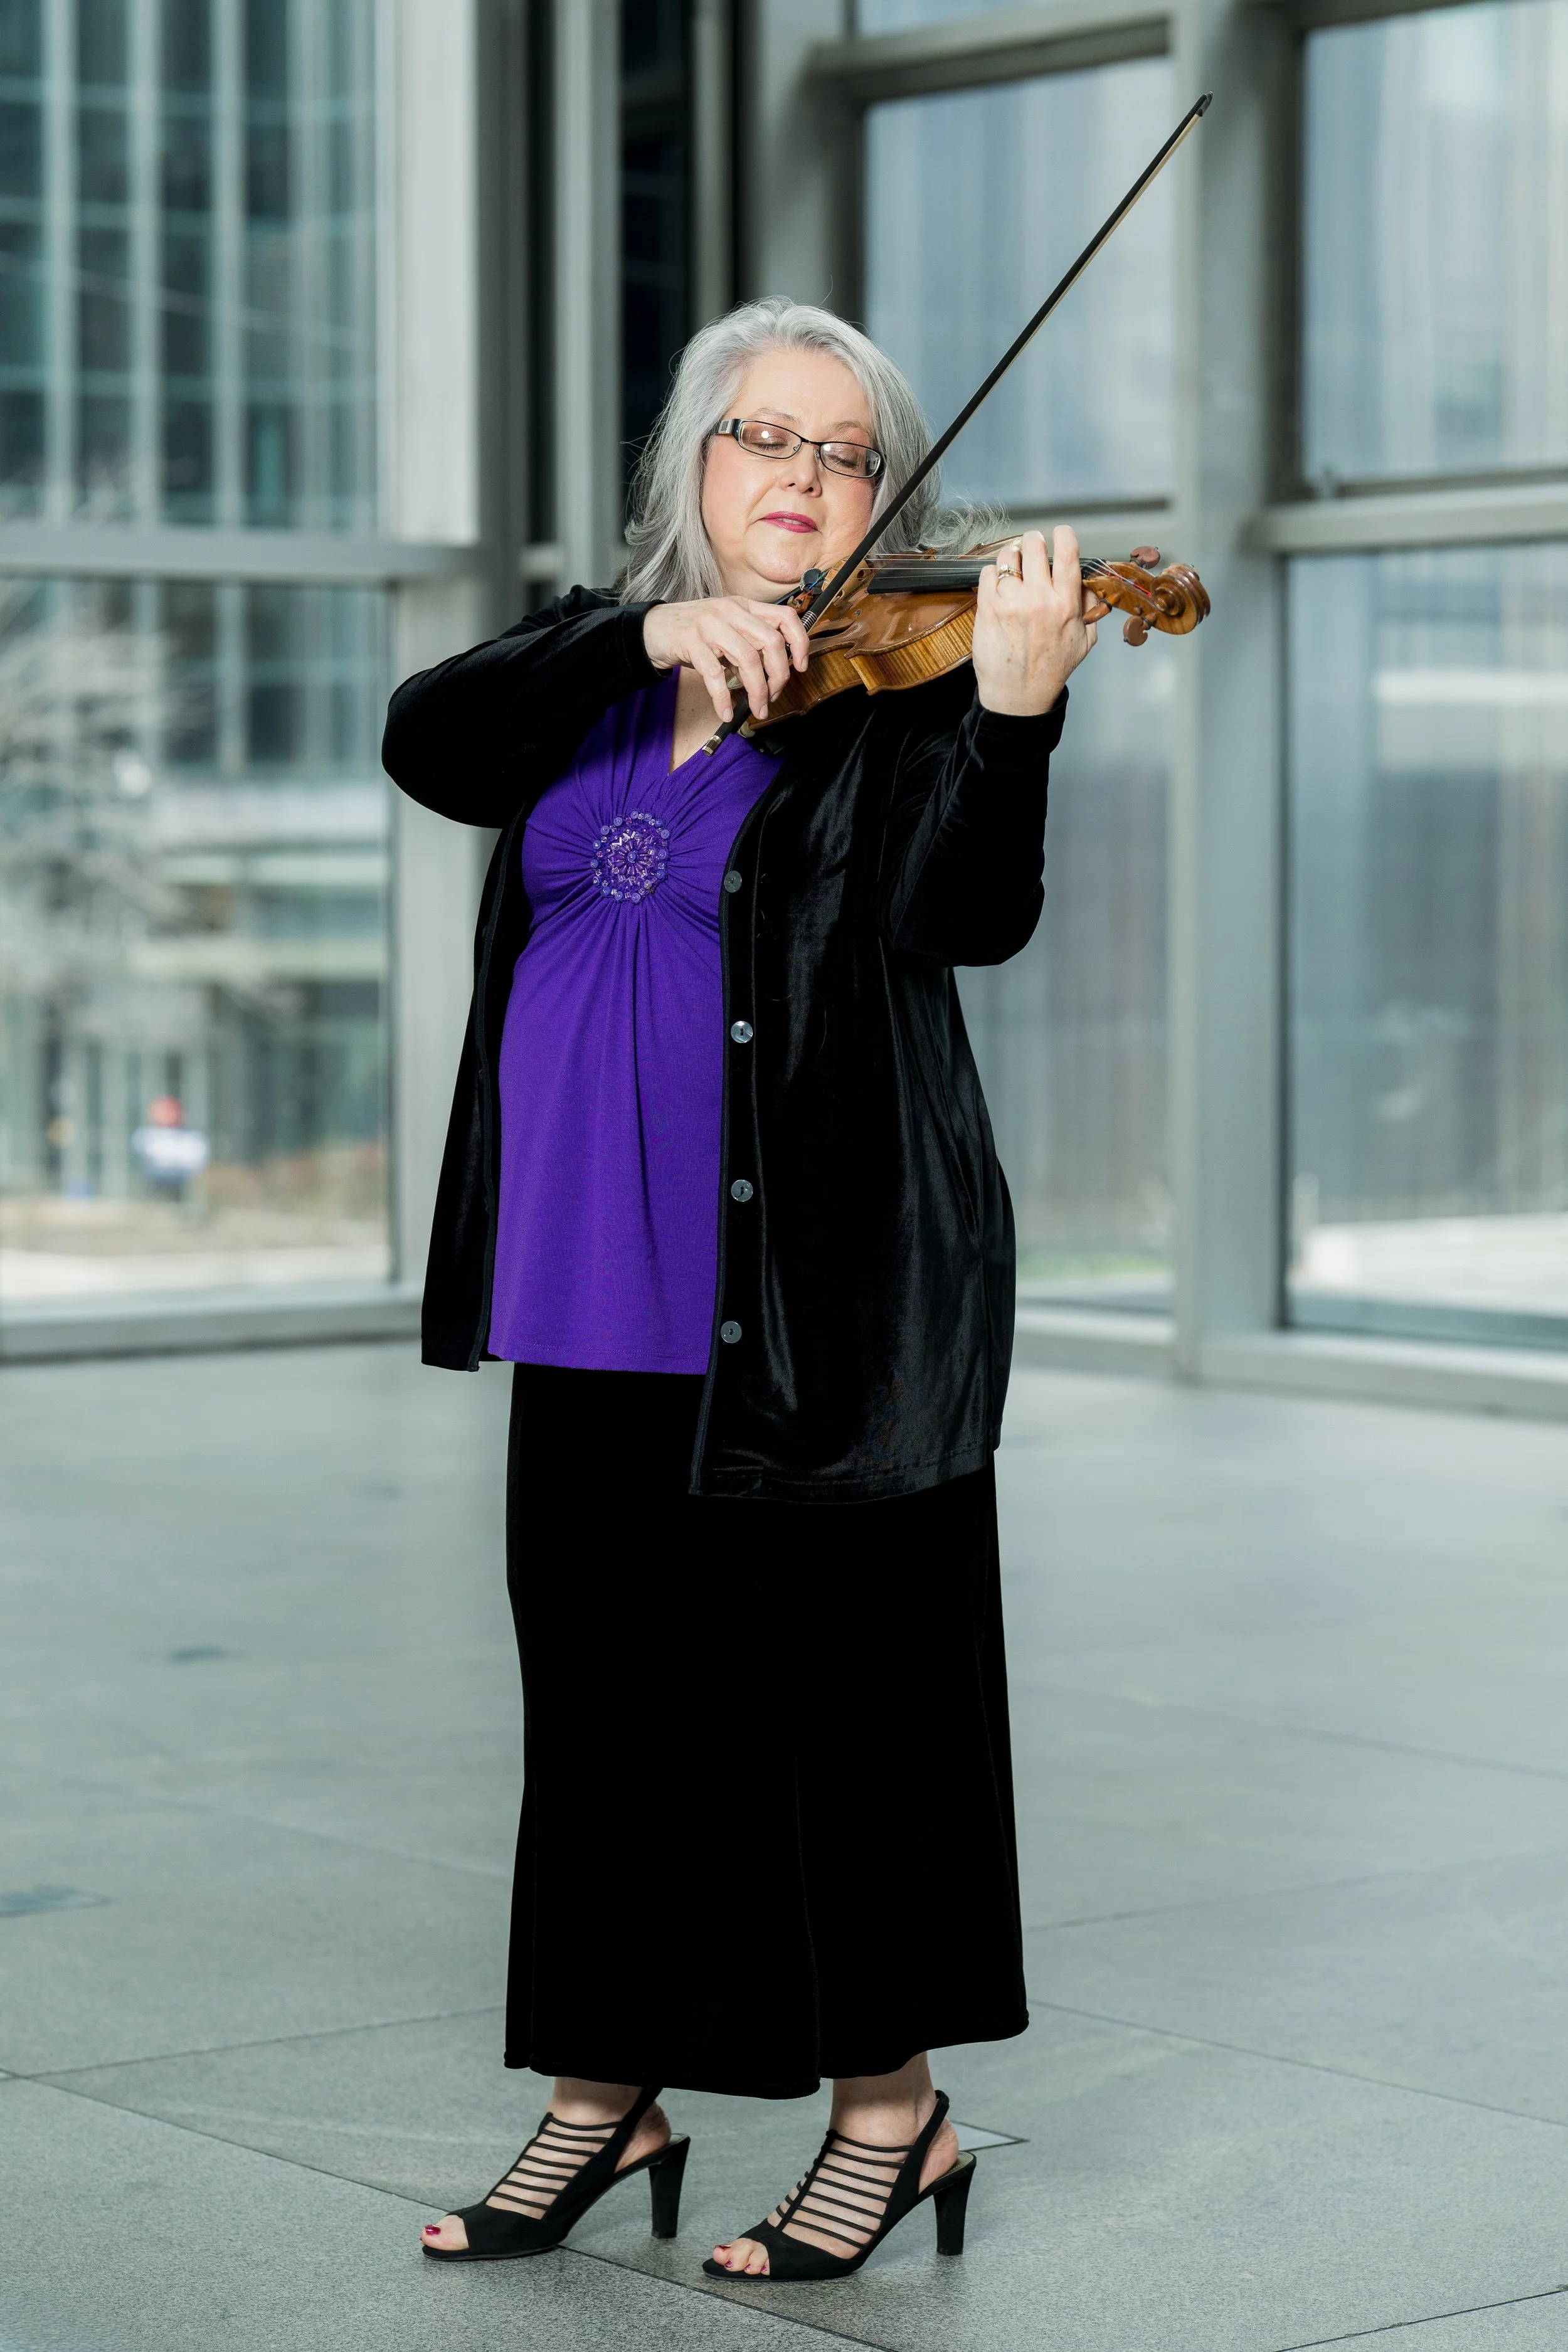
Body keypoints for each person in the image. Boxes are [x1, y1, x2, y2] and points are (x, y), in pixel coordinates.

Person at [381, 296, 1102, 2285]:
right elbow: (424, 739)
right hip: (579, 1290)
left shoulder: (910, 678)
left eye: (844, 451)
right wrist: (638, 630)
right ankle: (603, 2094)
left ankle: (897, 2116)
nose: (801, 479)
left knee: (851, 1721)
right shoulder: (586, 669)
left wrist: (1022, 708)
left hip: (818, 1298)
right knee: (604, 1713)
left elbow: (970, 913)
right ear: (688, 468)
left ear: (886, 489)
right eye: (761, 439)